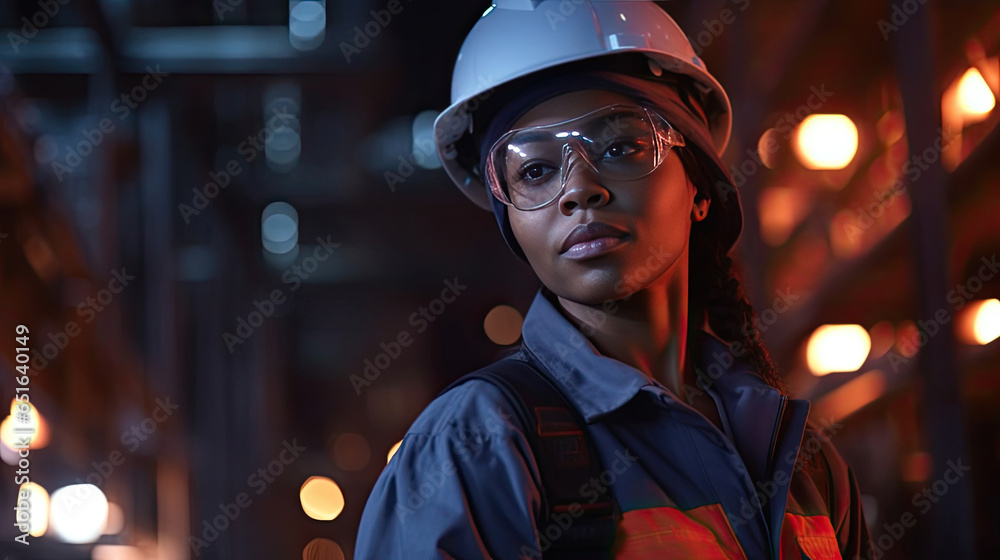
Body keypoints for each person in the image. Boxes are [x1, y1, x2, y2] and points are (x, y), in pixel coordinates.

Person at [355, 1, 875, 558]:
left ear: (699, 187)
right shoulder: (476, 446)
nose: (580, 188)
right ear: (513, 222)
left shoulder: (803, 464)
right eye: (535, 170)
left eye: (621, 146)